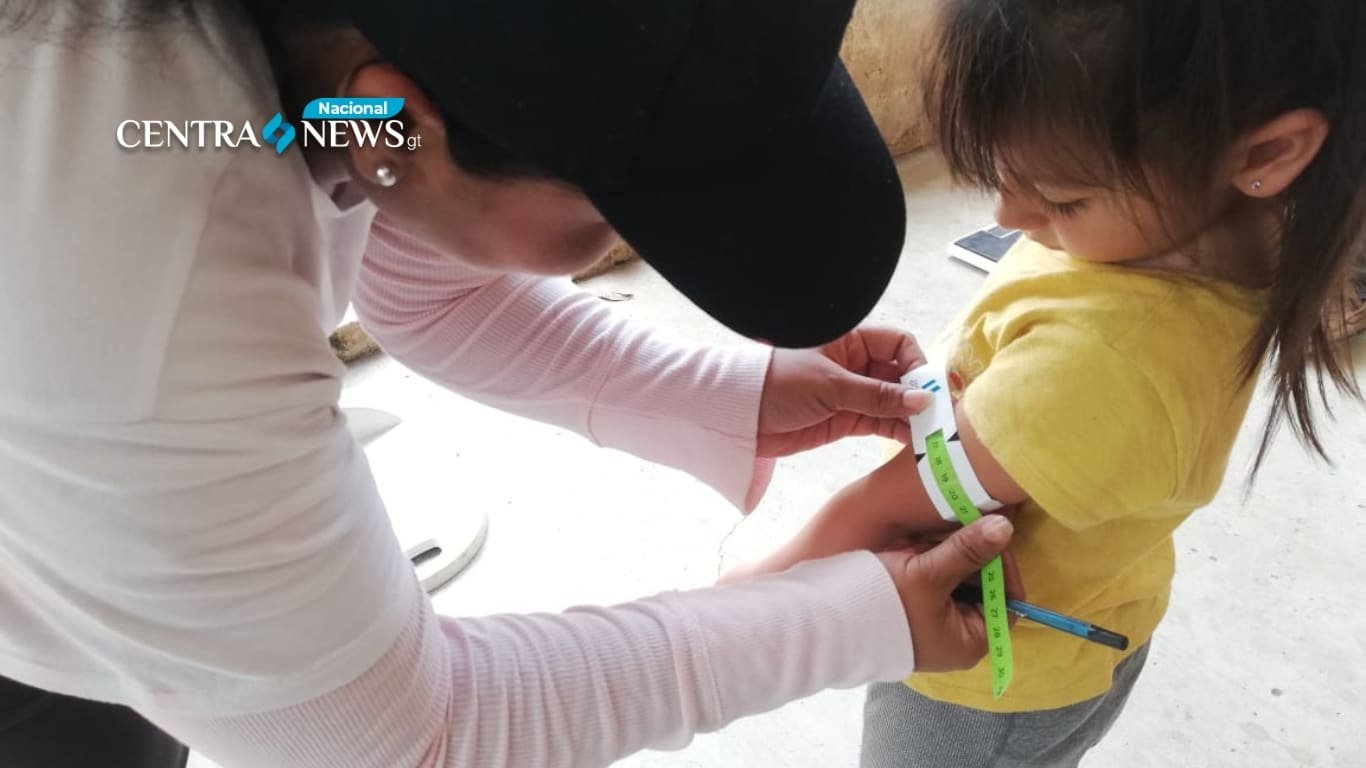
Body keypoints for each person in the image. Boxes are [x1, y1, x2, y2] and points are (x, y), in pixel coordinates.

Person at [0, 1, 1020, 766]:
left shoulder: (329, 71)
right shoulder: (143, 286)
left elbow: (419, 276)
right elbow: (405, 735)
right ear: (391, 124)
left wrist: (726, 391)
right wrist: (851, 618)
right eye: (618, 222)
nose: (635, 253)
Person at [733, 1, 1366, 766]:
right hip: (1095, 610)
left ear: (1266, 151)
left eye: (1063, 198)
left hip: (986, 685)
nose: (1007, 212)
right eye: (1004, 174)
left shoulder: (1111, 364)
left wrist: (742, 604)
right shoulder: (1180, 236)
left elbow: (882, 511)